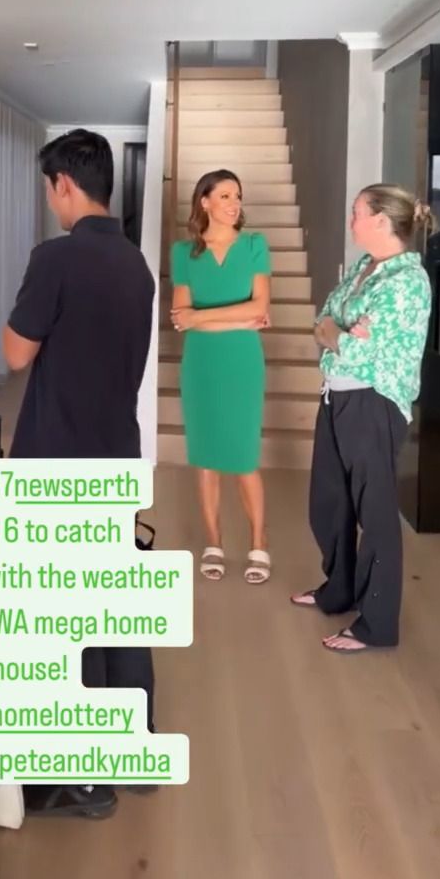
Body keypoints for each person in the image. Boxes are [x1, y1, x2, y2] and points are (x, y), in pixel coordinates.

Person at [2, 128, 156, 821]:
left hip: (58, 461)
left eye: (48, 187)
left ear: (64, 184)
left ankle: (81, 777)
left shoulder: (56, 257)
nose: (49, 199)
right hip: (115, 452)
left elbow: (15, 353)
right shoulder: (135, 263)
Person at [291, 184, 433, 654]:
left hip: (374, 403)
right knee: (329, 500)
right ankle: (339, 589)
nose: (350, 221)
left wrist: (339, 333)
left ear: (380, 221)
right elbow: (323, 320)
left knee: (375, 512)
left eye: (357, 213)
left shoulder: (407, 282)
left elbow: (358, 348)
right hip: (337, 395)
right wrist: (339, 330)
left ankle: (376, 623)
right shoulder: (364, 267)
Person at [170, 169, 272, 585]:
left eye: (238, 196)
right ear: (205, 201)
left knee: (244, 457)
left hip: (242, 363)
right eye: (225, 195)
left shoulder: (254, 245)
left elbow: (260, 307)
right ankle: (213, 542)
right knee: (207, 457)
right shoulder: (183, 253)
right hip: (201, 365)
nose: (234, 203)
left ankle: (258, 543)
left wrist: (200, 316)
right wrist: (236, 318)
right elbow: (180, 318)